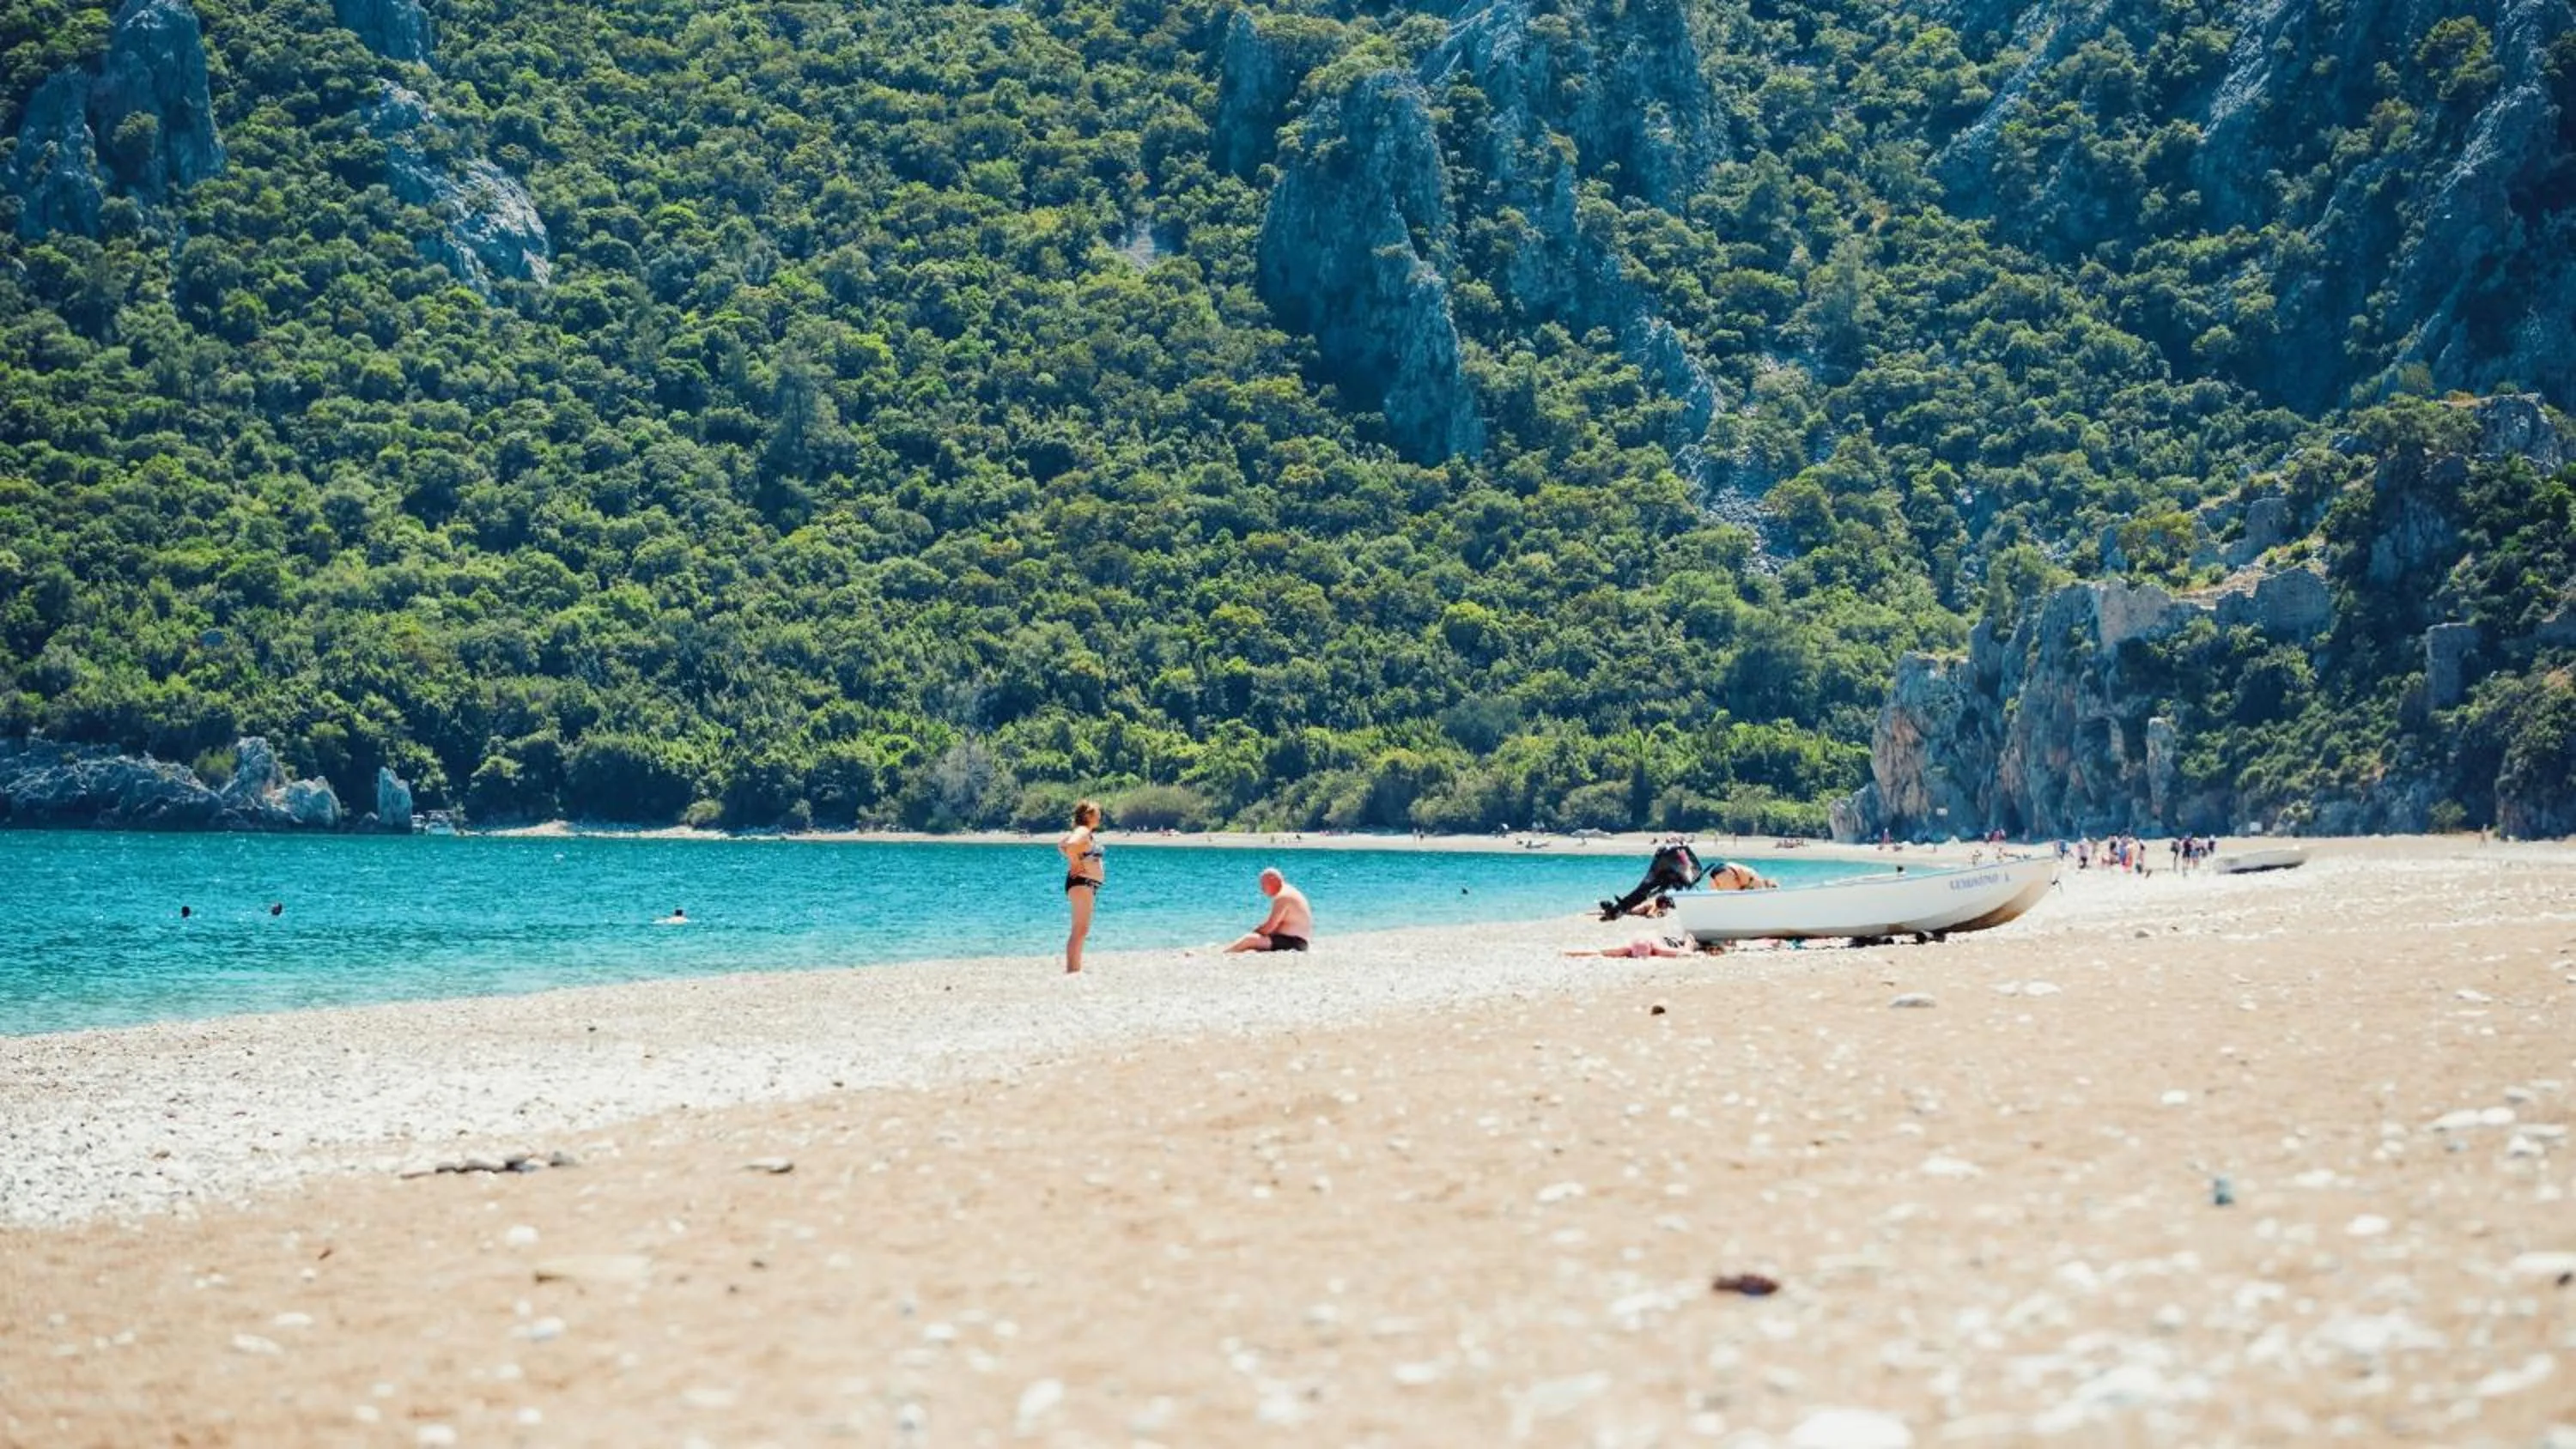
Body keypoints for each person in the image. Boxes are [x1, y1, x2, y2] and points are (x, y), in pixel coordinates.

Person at [1059, 800, 1105, 973]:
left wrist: (1075, 859)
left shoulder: (1084, 833)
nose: (1100, 816)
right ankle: (1072, 970)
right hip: (1082, 883)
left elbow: (1062, 845)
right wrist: (1075, 862)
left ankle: (1075, 968)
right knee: (1079, 929)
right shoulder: (1083, 831)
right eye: (1097, 813)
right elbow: (1069, 845)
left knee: (1081, 929)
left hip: (1085, 884)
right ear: (1088, 816)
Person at [1224, 867, 1312, 953]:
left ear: (1272, 881)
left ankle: (1226, 953)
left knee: (1249, 939)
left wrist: (1254, 933)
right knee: (1252, 942)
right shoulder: (1289, 891)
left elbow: (1269, 927)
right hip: (1297, 942)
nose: (1262, 890)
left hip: (1293, 943)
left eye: (1263, 885)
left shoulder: (1283, 896)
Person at [1565, 934, 1720, 958]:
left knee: (1689, 942)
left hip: (1666, 940)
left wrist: (1690, 938)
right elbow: (1596, 952)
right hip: (1652, 940)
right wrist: (1569, 953)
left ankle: (1692, 937)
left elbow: (1686, 952)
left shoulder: (1657, 947)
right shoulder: (1627, 948)